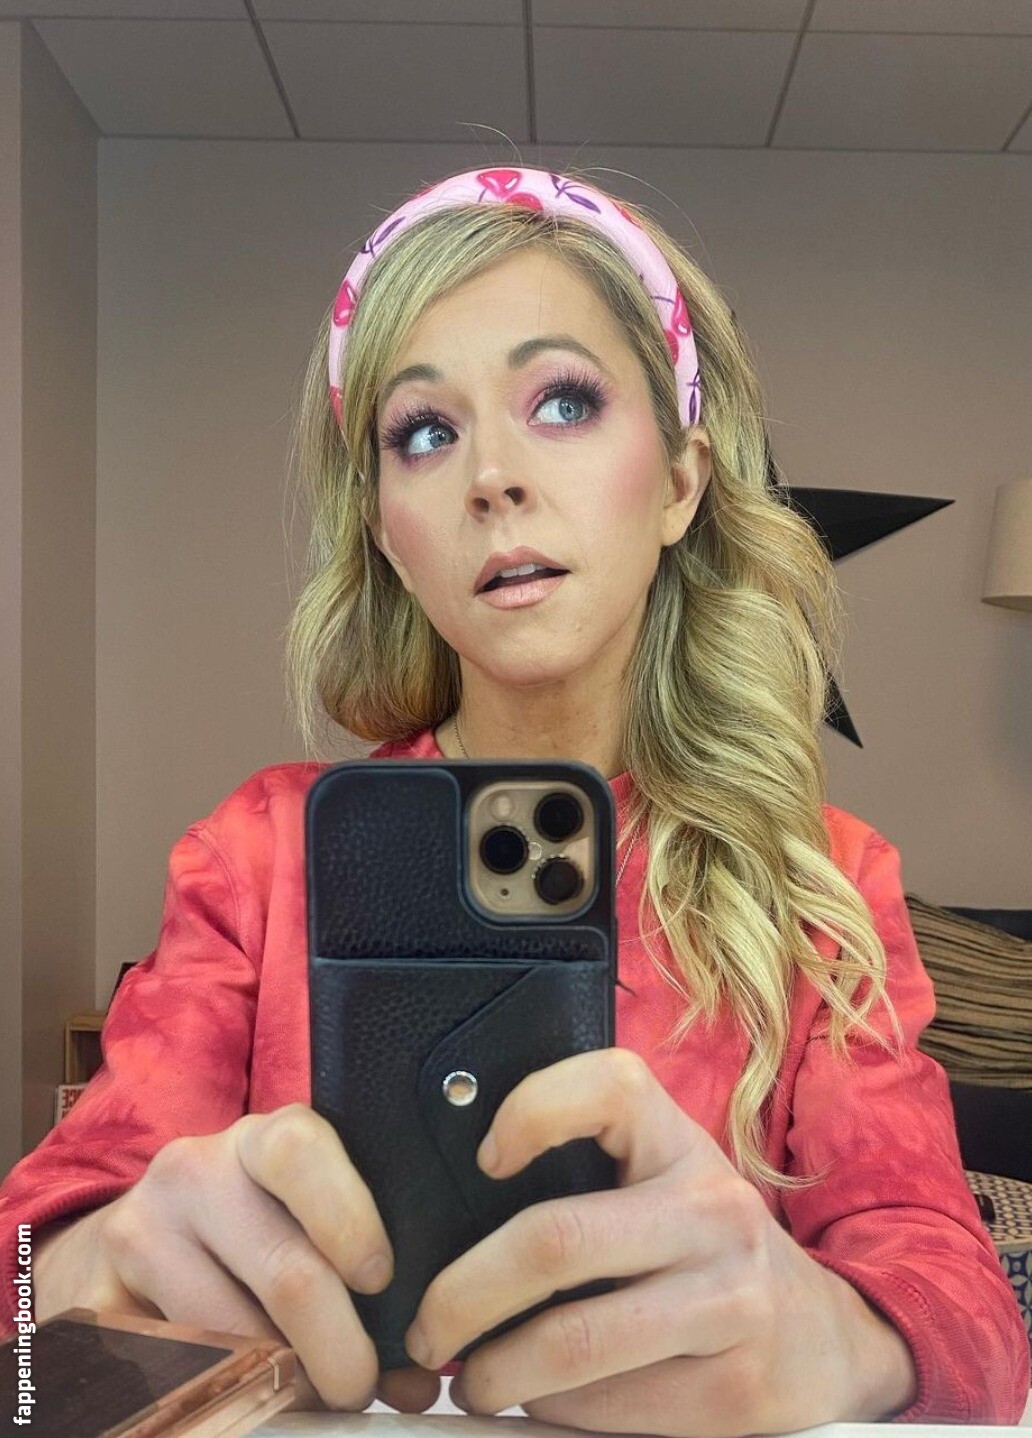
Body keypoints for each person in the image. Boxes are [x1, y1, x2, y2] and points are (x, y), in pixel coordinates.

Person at [0, 165, 1027, 1431]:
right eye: (424, 432)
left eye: (564, 401)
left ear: (683, 482)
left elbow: (970, 1319)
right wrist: (90, 1266)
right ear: (388, 530)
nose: (492, 475)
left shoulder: (825, 879)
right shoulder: (259, 854)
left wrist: (843, 1341)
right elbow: (25, 1262)